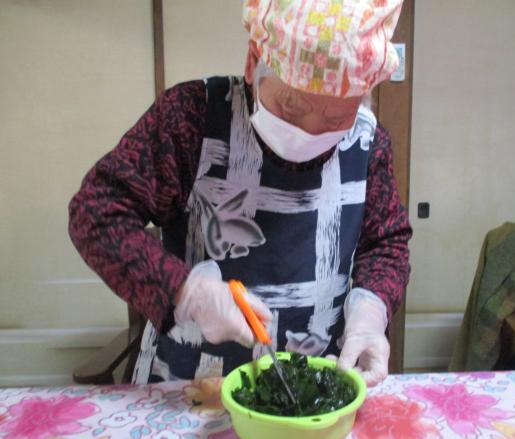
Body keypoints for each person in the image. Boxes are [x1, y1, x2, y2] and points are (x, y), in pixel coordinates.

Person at [68, 0, 412, 386]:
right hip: (186, 386)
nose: (311, 131)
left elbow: (386, 243)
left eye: (335, 119)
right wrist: (186, 291)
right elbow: (95, 212)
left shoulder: (367, 143)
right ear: (253, 63)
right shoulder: (190, 117)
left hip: (314, 383)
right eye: (291, 106)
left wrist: (371, 309)